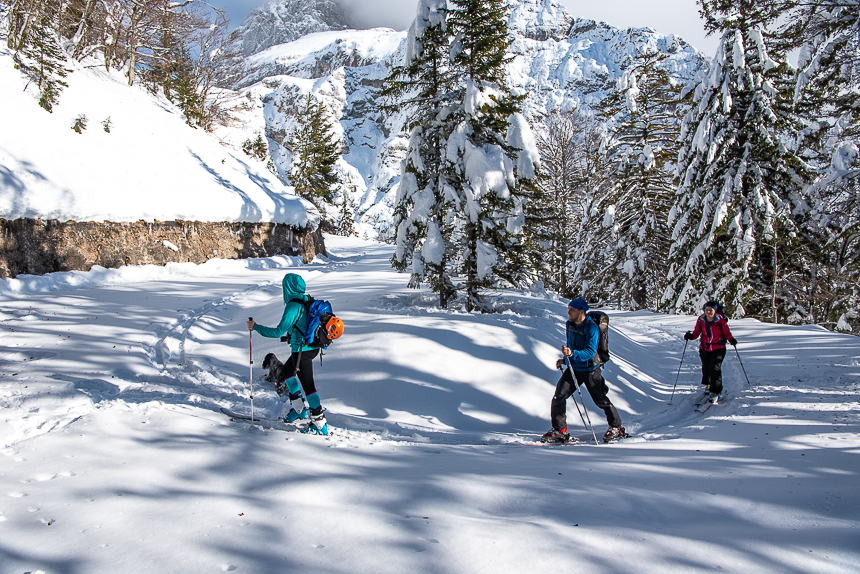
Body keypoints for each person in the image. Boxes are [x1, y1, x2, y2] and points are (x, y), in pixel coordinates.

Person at [246, 273, 329, 435]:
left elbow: (277, 331)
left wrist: (255, 327)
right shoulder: (306, 300)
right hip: (309, 348)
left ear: (288, 288)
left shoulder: (292, 306)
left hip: (302, 351)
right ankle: (299, 410)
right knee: (286, 373)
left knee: (309, 386)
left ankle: (320, 424)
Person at [542, 298, 626, 444]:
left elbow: (590, 352)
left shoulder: (591, 328)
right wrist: (565, 359)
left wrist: (572, 354)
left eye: (571, 310)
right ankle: (559, 431)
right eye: (568, 309)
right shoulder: (570, 324)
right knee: (559, 397)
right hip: (574, 368)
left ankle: (616, 427)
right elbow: (571, 345)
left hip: (590, 370)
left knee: (600, 400)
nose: (568, 312)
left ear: (581, 311)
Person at [684, 300, 736, 403]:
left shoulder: (720, 321)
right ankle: (708, 384)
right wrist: (690, 336)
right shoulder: (701, 320)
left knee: (715, 369)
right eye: (707, 310)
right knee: (707, 367)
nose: (708, 312)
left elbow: (727, 333)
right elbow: (696, 333)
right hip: (705, 348)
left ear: (715, 311)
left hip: (719, 349)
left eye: (711, 310)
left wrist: (731, 340)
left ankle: (715, 391)